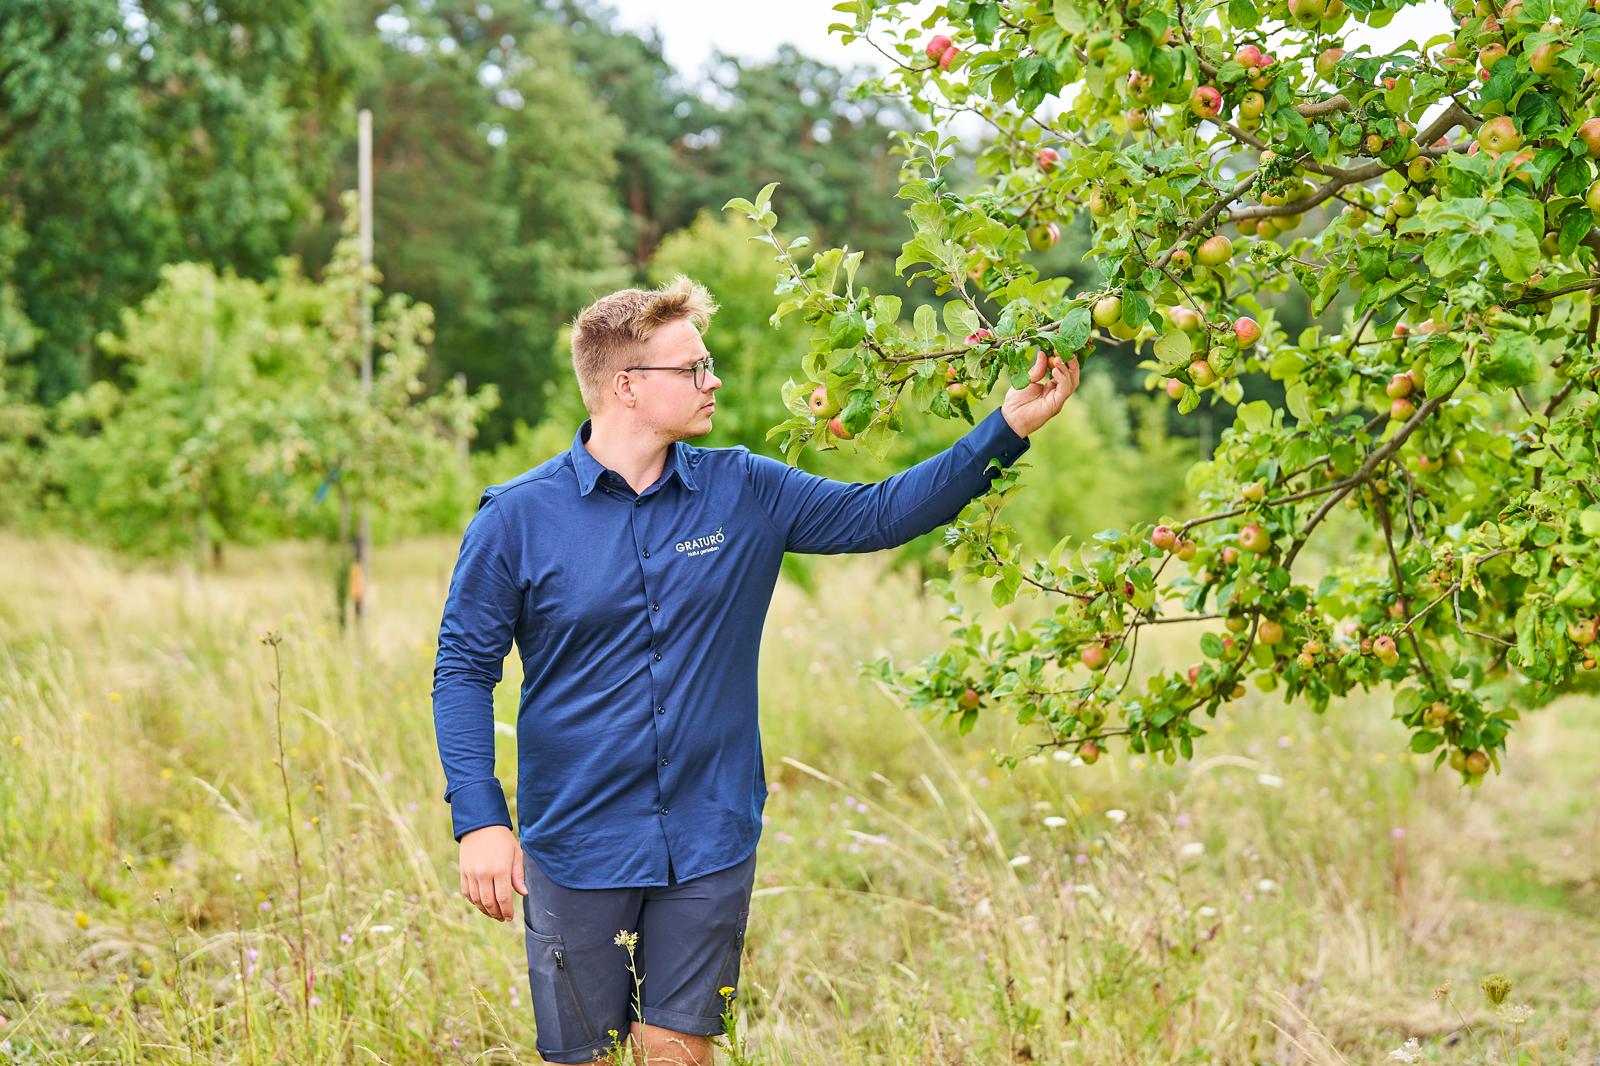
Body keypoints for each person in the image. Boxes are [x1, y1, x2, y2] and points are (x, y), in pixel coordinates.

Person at [431, 275, 1080, 1065]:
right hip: (576, 836)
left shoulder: (744, 489)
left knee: (678, 1050)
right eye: (693, 369)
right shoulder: (517, 518)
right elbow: (463, 669)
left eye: (709, 364)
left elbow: (881, 513)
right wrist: (482, 821)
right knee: (586, 1057)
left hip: (710, 832)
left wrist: (1005, 429)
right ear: (627, 386)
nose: (714, 381)